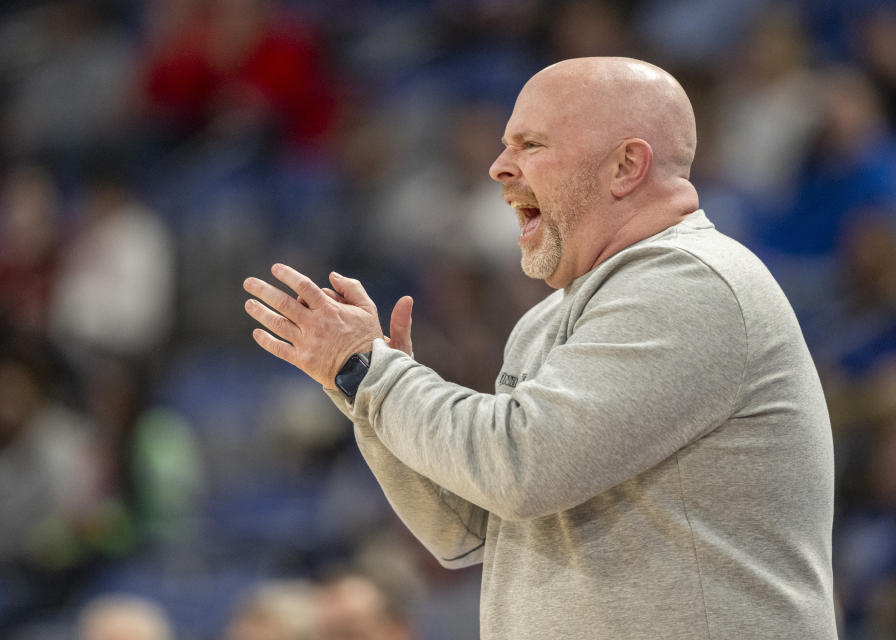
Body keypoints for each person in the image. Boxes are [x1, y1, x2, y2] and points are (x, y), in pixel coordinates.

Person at [243, 57, 838, 639]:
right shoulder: (550, 318)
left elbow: (520, 467)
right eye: (505, 145)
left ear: (626, 166)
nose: (499, 167)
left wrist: (370, 371)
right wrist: (365, 392)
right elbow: (466, 531)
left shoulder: (688, 282)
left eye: (530, 145)